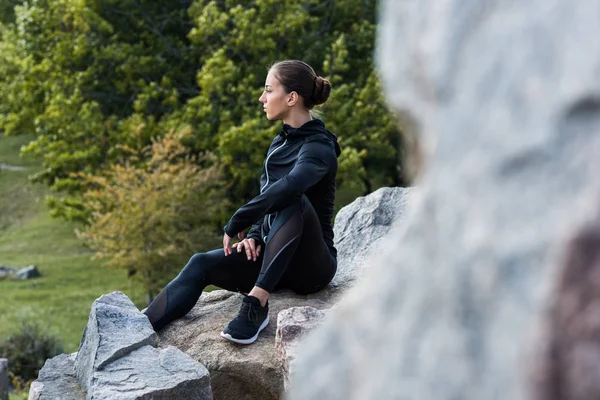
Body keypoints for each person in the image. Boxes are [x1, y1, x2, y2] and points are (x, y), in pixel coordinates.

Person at [143, 59, 341, 345]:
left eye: (268, 90)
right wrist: (254, 234)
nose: (262, 98)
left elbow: (290, 187)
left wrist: (240, 218)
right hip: (275, 256)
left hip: (312, 266)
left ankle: (257, 304)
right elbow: (269, 194)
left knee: (292, 199)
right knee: (200, 263)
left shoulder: (320, 147)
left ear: (291, 98)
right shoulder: (280, 143)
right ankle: (143, 326)